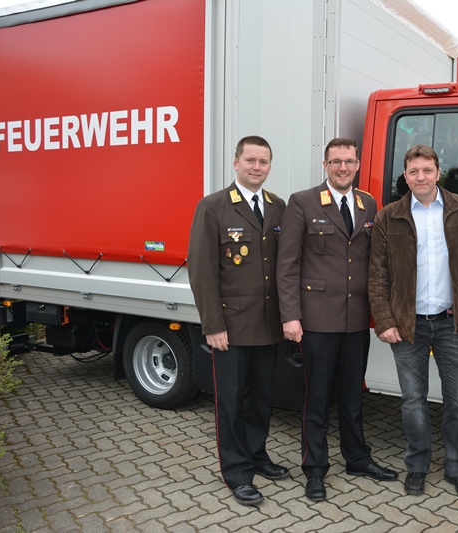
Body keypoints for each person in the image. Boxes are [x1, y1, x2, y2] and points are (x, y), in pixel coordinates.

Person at [277, 137, 398, 502]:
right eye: (336, 161)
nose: (343, 167)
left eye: (349, 161)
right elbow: (287, 264)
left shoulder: (368, 203)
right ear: (325, 165)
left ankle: (357, 458)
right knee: (317, 399)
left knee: (352, 397)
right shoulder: (303, 201)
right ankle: (315, 469)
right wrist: (291, 316)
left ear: (357, 164)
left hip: (356, 320)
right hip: (317, 320)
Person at [368, 144, 458, 498]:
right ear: (405, 176)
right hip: (408, 325)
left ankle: (457, 466)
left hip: (452, 324)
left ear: (438, 172)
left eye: (426, 170)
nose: (420, 177)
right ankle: (417, 465)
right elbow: (377, 273)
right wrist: (385, 321)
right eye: (413, 171)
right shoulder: (388, 216)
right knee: (412, 401)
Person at [187, 135, 289, 506]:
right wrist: (213, 324)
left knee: (261, 399)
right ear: (236, 163)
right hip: (230, 327)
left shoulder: (277, 206)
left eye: (263, 161)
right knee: (230, 402)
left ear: (269, 166)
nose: (257, 167)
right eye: (250, 160)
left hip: (268, 324)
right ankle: (237, 473)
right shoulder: (213, 206)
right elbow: (201, 270)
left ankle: (257, 455)